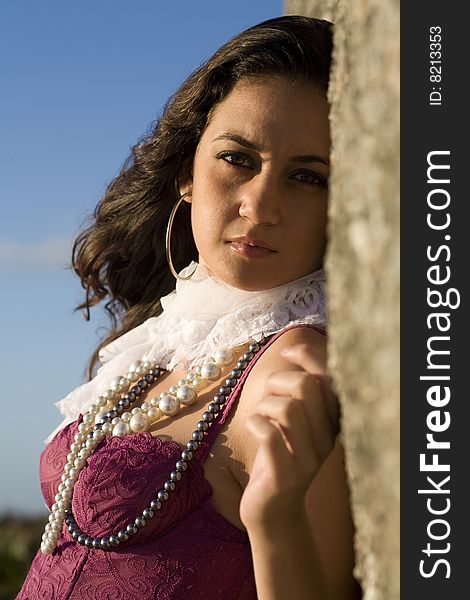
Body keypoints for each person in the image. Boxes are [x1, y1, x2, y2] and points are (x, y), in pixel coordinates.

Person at [19, 15, 362, 599]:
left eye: (307, 176)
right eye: (238, 159)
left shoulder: (295, 366)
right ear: (186, 172)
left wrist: (274, 520)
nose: (260, 204)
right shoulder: (169, 337)